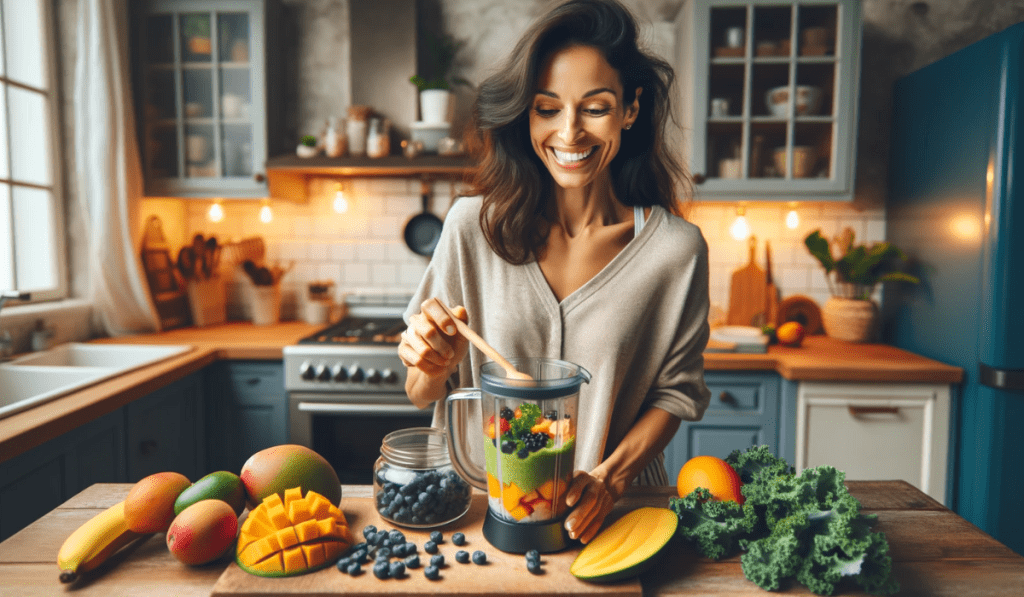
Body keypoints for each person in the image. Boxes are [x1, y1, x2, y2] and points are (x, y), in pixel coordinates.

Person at [399, 0, 711, 544]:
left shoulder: (676, 251)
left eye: (595, 107)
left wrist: (609, 480)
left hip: (614, 515)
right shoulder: (471, 226)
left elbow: (675, 396)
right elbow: (422, 393)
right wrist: (430, 362)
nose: (569, 133)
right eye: (547, 108)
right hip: (478, 517)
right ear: (527, 113)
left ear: (629, 110)